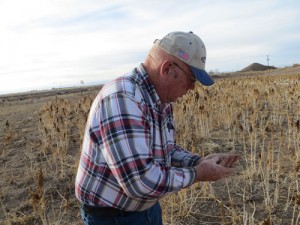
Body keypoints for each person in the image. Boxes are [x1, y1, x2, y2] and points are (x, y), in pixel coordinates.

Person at [75, 31, 240, 225]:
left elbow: (166, 151)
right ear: (168, 68)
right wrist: (199, 173)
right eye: (191, 79)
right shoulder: (123, 98)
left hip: (146, 208)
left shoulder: (160, 100)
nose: (192, 88)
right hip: (112, 216)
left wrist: (199, 161)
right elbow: (140, 182)